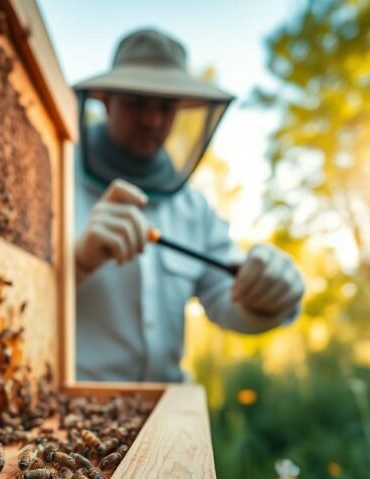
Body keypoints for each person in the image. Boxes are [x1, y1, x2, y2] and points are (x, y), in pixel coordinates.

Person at [72, 28, 305, 382]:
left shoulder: (193, 208)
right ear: (106, 100)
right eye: (138, 103)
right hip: (70, 412)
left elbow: (227, 302)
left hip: (169, 408)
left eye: (166, 108)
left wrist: (267, 294)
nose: (153, 120)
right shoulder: (55, 177)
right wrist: (77, 263)